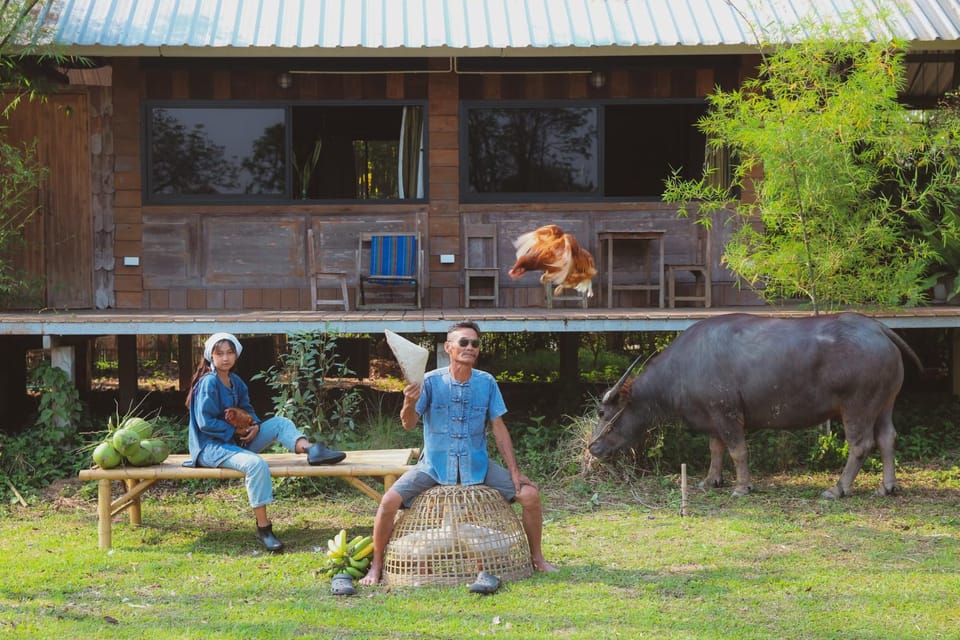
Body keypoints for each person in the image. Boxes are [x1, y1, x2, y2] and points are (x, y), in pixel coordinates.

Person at [359, 321, 557, 585]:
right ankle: (376, 566)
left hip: (477, 465)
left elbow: (499, 429)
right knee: (387, 503)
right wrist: (409, 400)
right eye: (463, 342)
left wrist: (515, 471)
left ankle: (537, 558)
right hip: (433, 467)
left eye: (474, 344)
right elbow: (408, 424)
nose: (470, 348)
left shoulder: (486, 383)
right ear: (448, 347)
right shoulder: (428, 381)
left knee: (530, 496)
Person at [185, 332, 346, 552]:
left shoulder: (237, 382)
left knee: (279, 423)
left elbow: (249, 410)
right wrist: (235, 432)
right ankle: (264, 528)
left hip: (235, 442)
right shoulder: (209, 383)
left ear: (236, 355)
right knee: (256, 464)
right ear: (210, 356)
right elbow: (205, 423)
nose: (225, 358)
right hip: (211, 448)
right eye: (219, 353)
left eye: (229, 353)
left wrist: (255, 426)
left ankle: (311, 450)